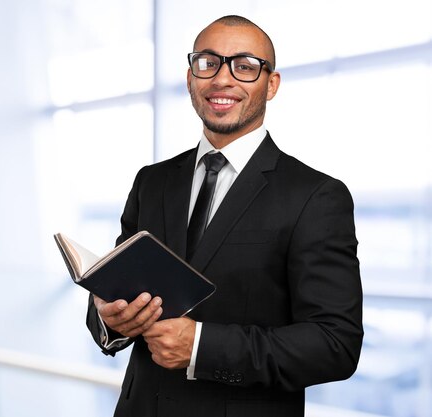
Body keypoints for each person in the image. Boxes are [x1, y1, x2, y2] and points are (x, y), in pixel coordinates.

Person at [86, 14, 363, 417]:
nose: (222, 79)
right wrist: (110, 320)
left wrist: (201, 347)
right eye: (208, 62)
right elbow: (117, 290)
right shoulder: (152, 181)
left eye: (245, 66)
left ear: (272, 84)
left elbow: (335, 343)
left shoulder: (317, 196)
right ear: (190, 78)